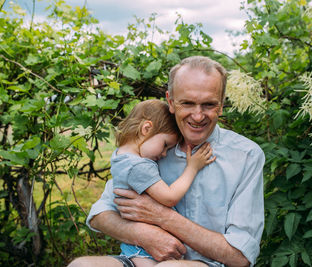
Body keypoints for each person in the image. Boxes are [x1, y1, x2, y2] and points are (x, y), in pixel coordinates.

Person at [68, 56, 265, 267]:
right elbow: (100, 215)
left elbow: (241, 257)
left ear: (222, 104)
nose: (198, 116)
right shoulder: (151, 149)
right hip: (143, 259)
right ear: (170, 101)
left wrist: (163, 217)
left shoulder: (246, 156)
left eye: (208, 105)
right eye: (187, 103)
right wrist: (144, 235)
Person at [110, 99, 215, 267]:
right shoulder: (137, 166)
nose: (165, 153)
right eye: (165, 145)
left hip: (139, 248)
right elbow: (169, 198)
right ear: (146, 129)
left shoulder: (120, 157)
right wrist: (193, 168)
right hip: (146, 252)